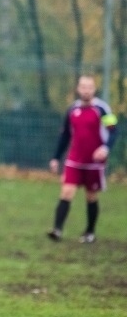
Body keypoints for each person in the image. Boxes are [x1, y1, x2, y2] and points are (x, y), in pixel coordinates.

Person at [47, 75, 118, 243]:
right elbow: (65, 136)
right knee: (66, 192)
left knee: (91, 195)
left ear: (94, 89)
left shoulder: (102, 109)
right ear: (78, 89)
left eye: (89, 87)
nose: (86, 91)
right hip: (74, 160)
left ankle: (90, 232)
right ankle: (57, 230)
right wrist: (56, 158)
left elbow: (114, 131)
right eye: (83, 87)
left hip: (94, 163)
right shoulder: (72, 110)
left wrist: (105, 148)